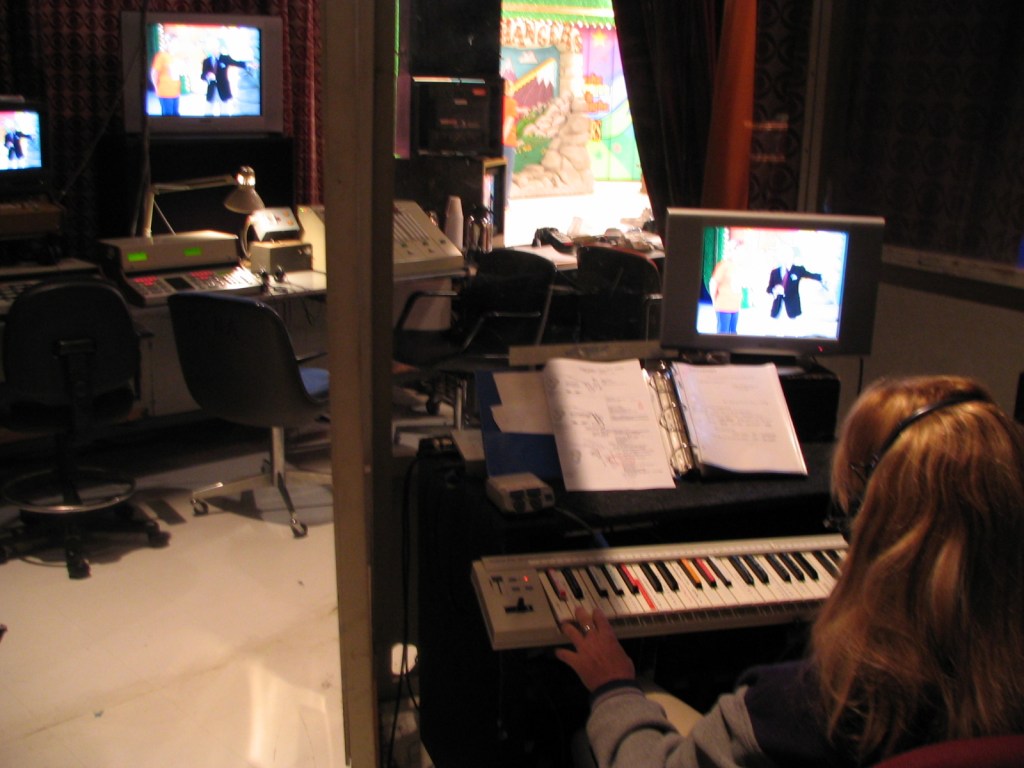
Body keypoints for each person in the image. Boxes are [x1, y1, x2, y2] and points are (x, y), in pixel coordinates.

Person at [556, 374, 1024, 767]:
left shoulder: (805, 707)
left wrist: (614, 685)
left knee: (590, 734)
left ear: (873, 519)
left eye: (850, 510)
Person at [766, 253, 822, 319]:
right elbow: (769, 289)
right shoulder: (775, 272)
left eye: (788, 257)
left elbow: (812, 275)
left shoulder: (798, 270)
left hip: (792, 309)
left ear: (792, 258)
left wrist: (823, 277)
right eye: (784, 256)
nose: (786, 259)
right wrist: (774, 290)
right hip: (777, 310)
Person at [201, 42, 249, 116]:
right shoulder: (206, 61)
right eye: (212, 48)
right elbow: (202, 76)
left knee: (224, 112)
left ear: (219, 49)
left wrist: (248, 64)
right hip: (211, 90)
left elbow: (236, 63)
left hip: (223, 89)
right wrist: (207, 76)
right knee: (208, 112)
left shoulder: (225, 58)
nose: (213, 50)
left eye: (215, 48)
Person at [708, 256, 742, 333]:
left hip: (735, 306)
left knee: (733, 332)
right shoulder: (723, 265)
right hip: (724, 305)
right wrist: (714, 300)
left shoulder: (737, 267)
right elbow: (713, 283)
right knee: (723, 333)